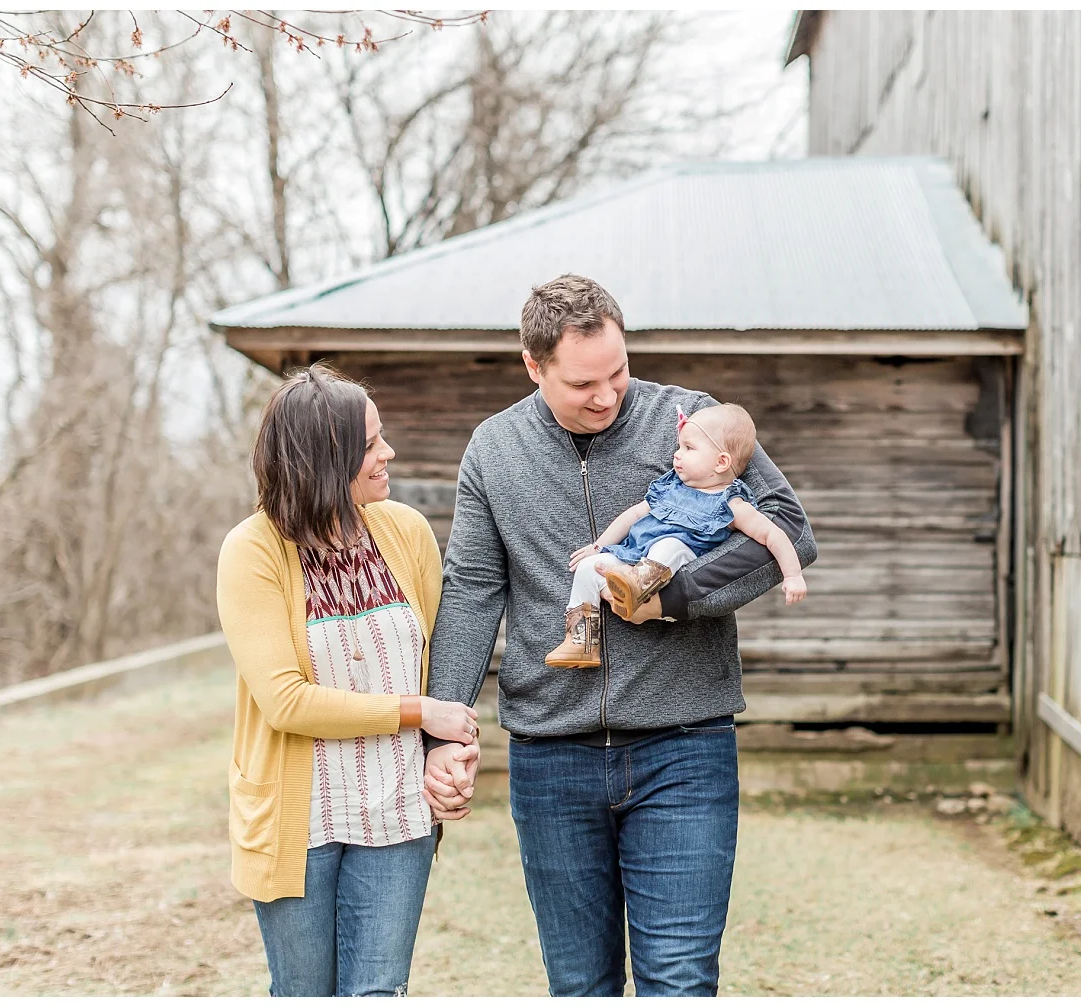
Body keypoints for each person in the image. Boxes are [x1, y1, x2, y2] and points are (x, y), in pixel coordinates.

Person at [421, 274, 818, 996]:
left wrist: (675, 600)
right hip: (551, 758)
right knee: (579, 985)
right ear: (534, 365)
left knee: (679, 979)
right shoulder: (495, 448)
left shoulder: (693, 420)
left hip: (684, 747)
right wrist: (446, 726)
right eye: (582, 383)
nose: (607, 395)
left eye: (618, 371)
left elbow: (789, 529)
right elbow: (474, 587)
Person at [216, 363, 481, 997]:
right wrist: (417, 714)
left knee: (378, 993)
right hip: (298, 826)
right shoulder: (251, 551)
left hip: (397, 816)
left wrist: (445, 754)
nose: (387, 454)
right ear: (320, 459)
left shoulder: (405, 531)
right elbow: (284, 700)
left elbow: (436, 666)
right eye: (368, 445)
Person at [546, 402, 808, 668]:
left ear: (721, 462)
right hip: (633, 557)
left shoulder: (731, 504)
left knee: (671, 544)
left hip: (668, 574)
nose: (677, 454)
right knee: (588, 568)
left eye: (689, 448)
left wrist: (793, 575)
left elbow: (773, 534)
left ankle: (636, 588)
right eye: (679, 446)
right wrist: (599, 546)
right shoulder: (669, 488)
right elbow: (631, 516)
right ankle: (582, 640)